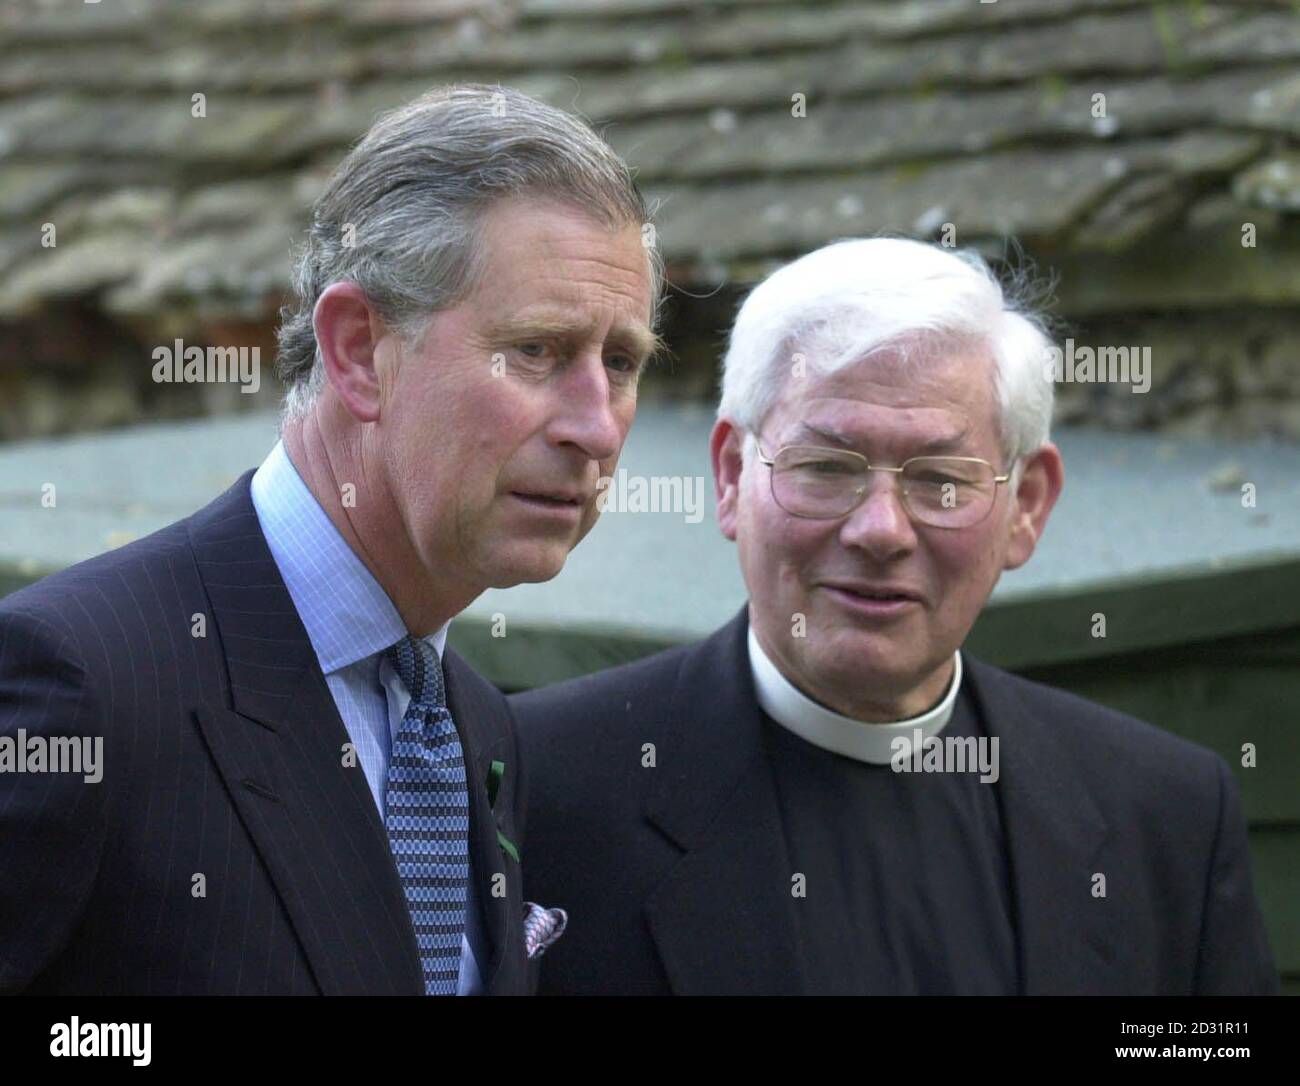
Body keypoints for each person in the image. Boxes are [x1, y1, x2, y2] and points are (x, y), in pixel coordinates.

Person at [0, 83, 660, 995]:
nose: (597, 426)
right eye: (538, 351)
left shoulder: (476, 720)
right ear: (356, 352)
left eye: (620, 362)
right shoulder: (87, 678)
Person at [512, 237, 1278, 995]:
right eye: (825, 468)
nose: (880, 530)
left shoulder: (1165, 818)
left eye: (942, 481)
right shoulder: (537, 789)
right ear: (730, 475)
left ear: (1027, 506)